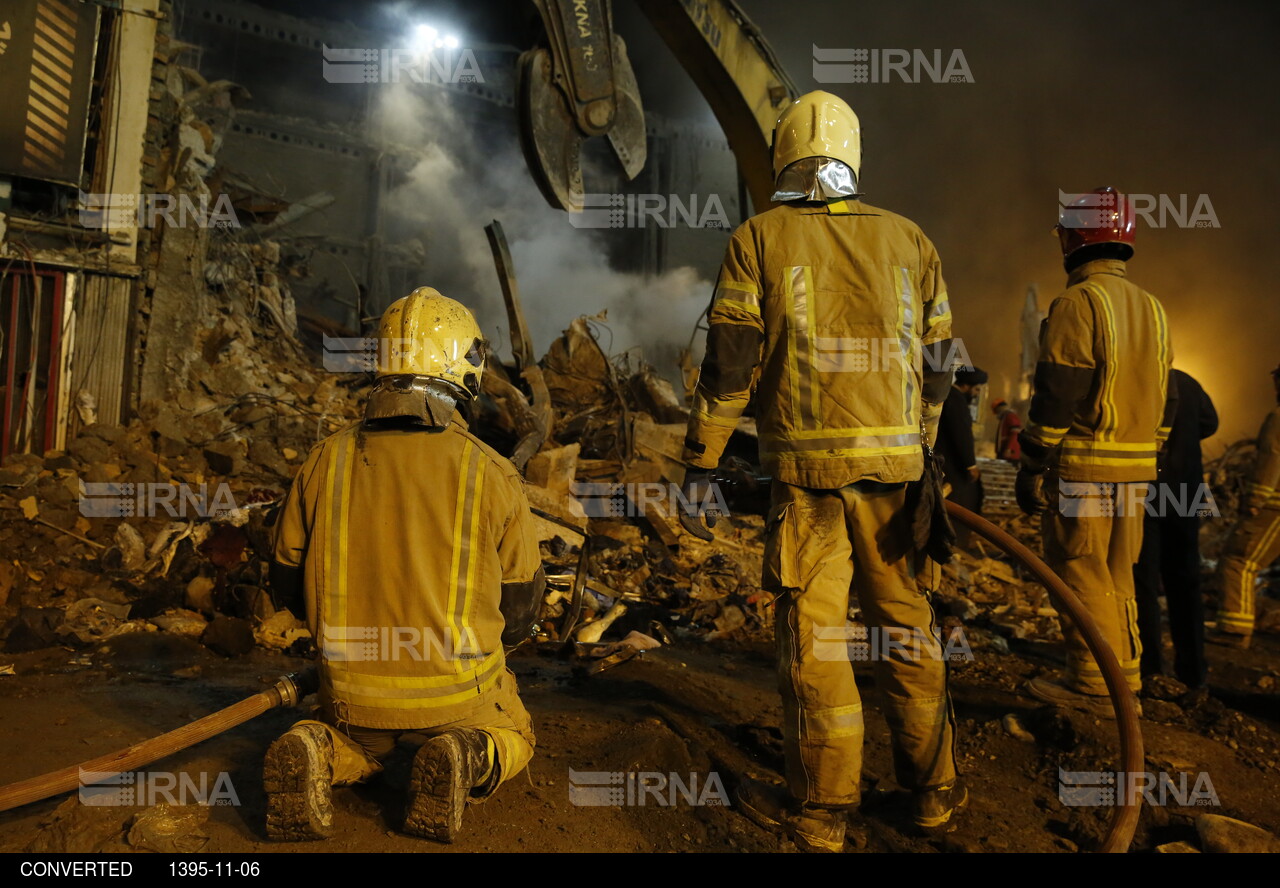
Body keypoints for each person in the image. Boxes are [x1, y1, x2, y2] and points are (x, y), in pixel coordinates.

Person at [681, 90, 963, 851]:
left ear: (783, 155)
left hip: (809, 486)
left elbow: (731, 364)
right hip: (898, 479)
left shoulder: (758, 238)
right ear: (855, 155)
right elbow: (941, 367)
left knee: (817, 642)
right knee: (908, 633)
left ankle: (823, 813)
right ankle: (932, 794)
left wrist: (701, 460)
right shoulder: (912, 240)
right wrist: (921, 444)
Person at [264, 288, 545, 843]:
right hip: (457, 693)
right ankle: (464, 752)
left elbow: (287, 585)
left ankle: (321, 749)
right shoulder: (490, 472)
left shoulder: (324, 461)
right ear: (463, 367)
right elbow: (517, 615)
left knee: (356, 743)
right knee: (517, 732)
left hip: (351, 692)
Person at [1016, 187, 1176, 715]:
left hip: (1086, 469)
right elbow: (1168, 398)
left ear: (1075, 237)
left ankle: (1092, 687)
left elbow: (1059, 390)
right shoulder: (1152, 308)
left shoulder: (1078, 302)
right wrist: (1149, 454)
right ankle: (1123, 680)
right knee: (1118, 575)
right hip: (1135, 474)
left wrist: (1033, 459)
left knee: (1081, 573)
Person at [1133, 369, 1216, 689]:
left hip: (1146, 493)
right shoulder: (1188, 382)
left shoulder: (1138, 377)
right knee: (1186, 583)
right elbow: (1211, 423)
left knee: (1144, 585)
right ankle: (1194, 672)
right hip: (1186, 492)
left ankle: (1151, 668)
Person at [1211, 363, 1280, 648]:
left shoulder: (1278, 418)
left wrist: (1253, 499)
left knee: (1238, 560)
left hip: (1272, 507)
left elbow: (1271, 459)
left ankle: (1233, 630)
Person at [938, 367, 987, 539]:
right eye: (977, 389)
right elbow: (961, 434)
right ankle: (955, 540)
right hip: (953, 466)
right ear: (966, 385)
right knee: (960, 503)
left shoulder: (947, 395)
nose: (976, 394)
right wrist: (970, 465)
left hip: (944, 461)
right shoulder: (956, 399)